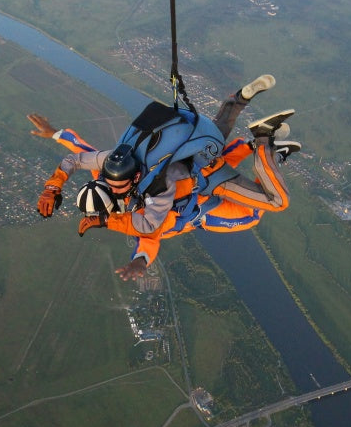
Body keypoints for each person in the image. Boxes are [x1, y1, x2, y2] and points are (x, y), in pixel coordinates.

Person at [29, 75, 300, 279]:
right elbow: (80, 152)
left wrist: (137, 258)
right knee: (215, 135)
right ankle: (241, 102)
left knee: (258, 210)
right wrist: (55, 140)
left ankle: (265, 144)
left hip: (205, 194)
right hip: (195, 157)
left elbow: (148, 234)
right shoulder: (112, 166)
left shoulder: (153, 197)